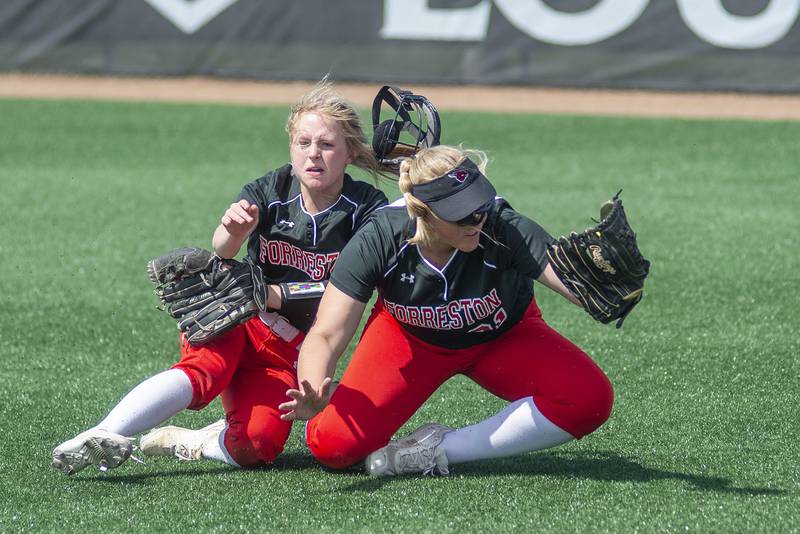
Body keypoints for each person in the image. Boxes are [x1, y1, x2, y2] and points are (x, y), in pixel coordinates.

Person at [51, 80, 388, 475]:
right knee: (204, 371)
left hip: (287, 351)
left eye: (327, 145)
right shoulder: (273, 188)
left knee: (258, 445)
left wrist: (275, 293)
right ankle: (106, 433)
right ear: (291, 147)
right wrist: (232, 230)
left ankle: (195, 441)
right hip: (237, 318)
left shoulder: (367, 209)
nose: (313, 154)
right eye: (303, 142)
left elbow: (348, 290)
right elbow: (223, 249)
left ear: (349, 153)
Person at [278, 145, 614, 476]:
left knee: (589, 399)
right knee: (333, 445)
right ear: (422, 211)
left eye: (479, 206)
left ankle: (437, 449)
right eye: (460, 212)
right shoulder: (382, 235)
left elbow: (577, 284)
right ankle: (340, 410)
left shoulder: (502, 225)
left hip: (502, 336)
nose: (476, 220)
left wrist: (612, 283)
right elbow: (326, 332)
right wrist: (313, 388)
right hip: (409, 340)